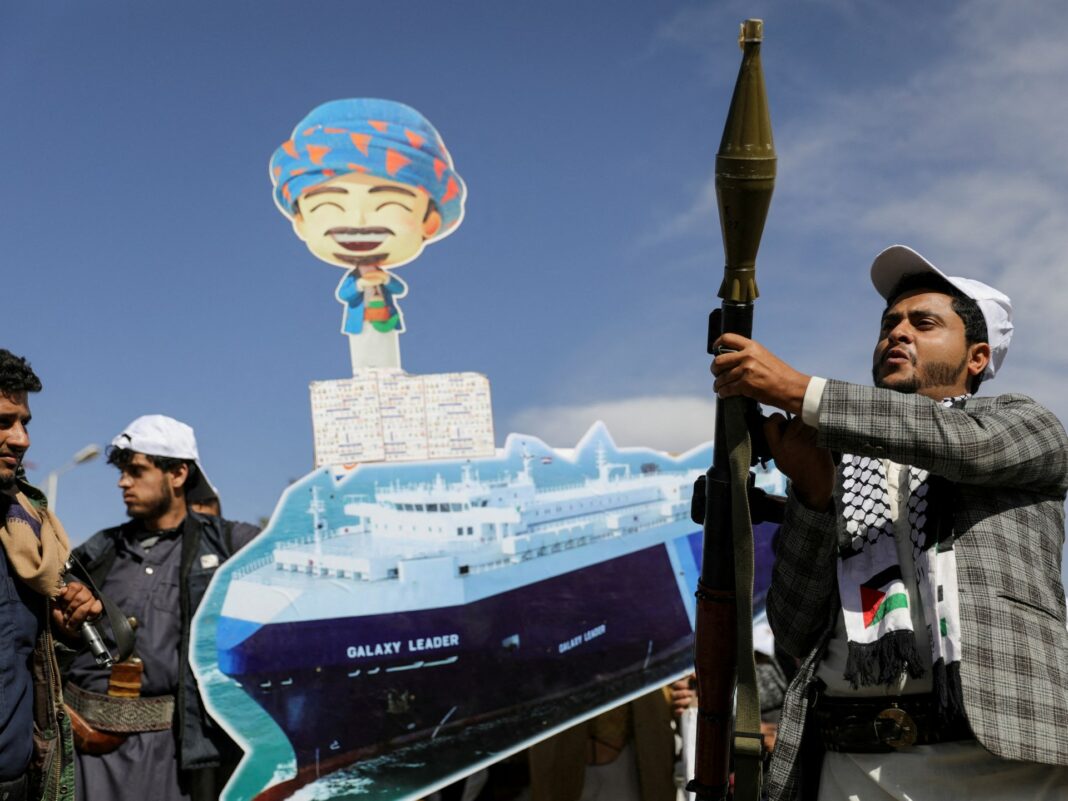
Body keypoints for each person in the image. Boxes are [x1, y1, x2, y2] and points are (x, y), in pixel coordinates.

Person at [710, 245, 1068, 800]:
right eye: (889, 324)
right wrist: (813, 491)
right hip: (852, 761)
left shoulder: (1025, 424)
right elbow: (795, 631)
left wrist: (800, 391)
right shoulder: (845, 462)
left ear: (977, 358)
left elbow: (955, 444)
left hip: (1004, 761)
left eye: (923, 323)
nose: (897, 333)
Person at [60, 414, 259, 801]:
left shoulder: (228, 545)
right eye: (122, 472)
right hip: (84, 755)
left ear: (179, 474)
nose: (123, 482)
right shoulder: (98, 551)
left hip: (170, 759)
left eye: (136, 471)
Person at [270, 98, 467, 371]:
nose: (358, 221)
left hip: (384, 318)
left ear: (429, 222)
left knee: (383, 347)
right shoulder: (354, 282)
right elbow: (347, 292)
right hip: (362, 322)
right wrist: (362, 285)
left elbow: (396, 288)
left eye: (388, 204)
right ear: (301, 222)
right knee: (366, 349)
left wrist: (381, 281)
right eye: (330, 206)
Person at [0, 349, 101, 801]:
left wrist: (59, 628)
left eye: (24, 422)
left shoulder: (23, 528)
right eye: (4, 421)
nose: (22, 439)